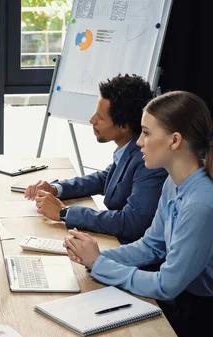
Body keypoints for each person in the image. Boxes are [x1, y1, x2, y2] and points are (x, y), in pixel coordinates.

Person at [63, 91, 213, 337]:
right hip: (183, 303)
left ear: (174, 140)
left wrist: (100, 263)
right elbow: (151, 246)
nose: (139, 142)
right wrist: (96, 257)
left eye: (146, 132)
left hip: (199, 316)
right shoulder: (173, 183)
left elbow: (166, 286)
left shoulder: (201, 203)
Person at [25, 74, 168, 244]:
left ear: (123, 126)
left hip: (130, 250)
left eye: (100, 117)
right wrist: (56, 189)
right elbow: (103, 179)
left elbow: (131, 222)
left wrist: (64, 213)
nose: (92, 120)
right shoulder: (130, 150)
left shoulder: (148, 160)